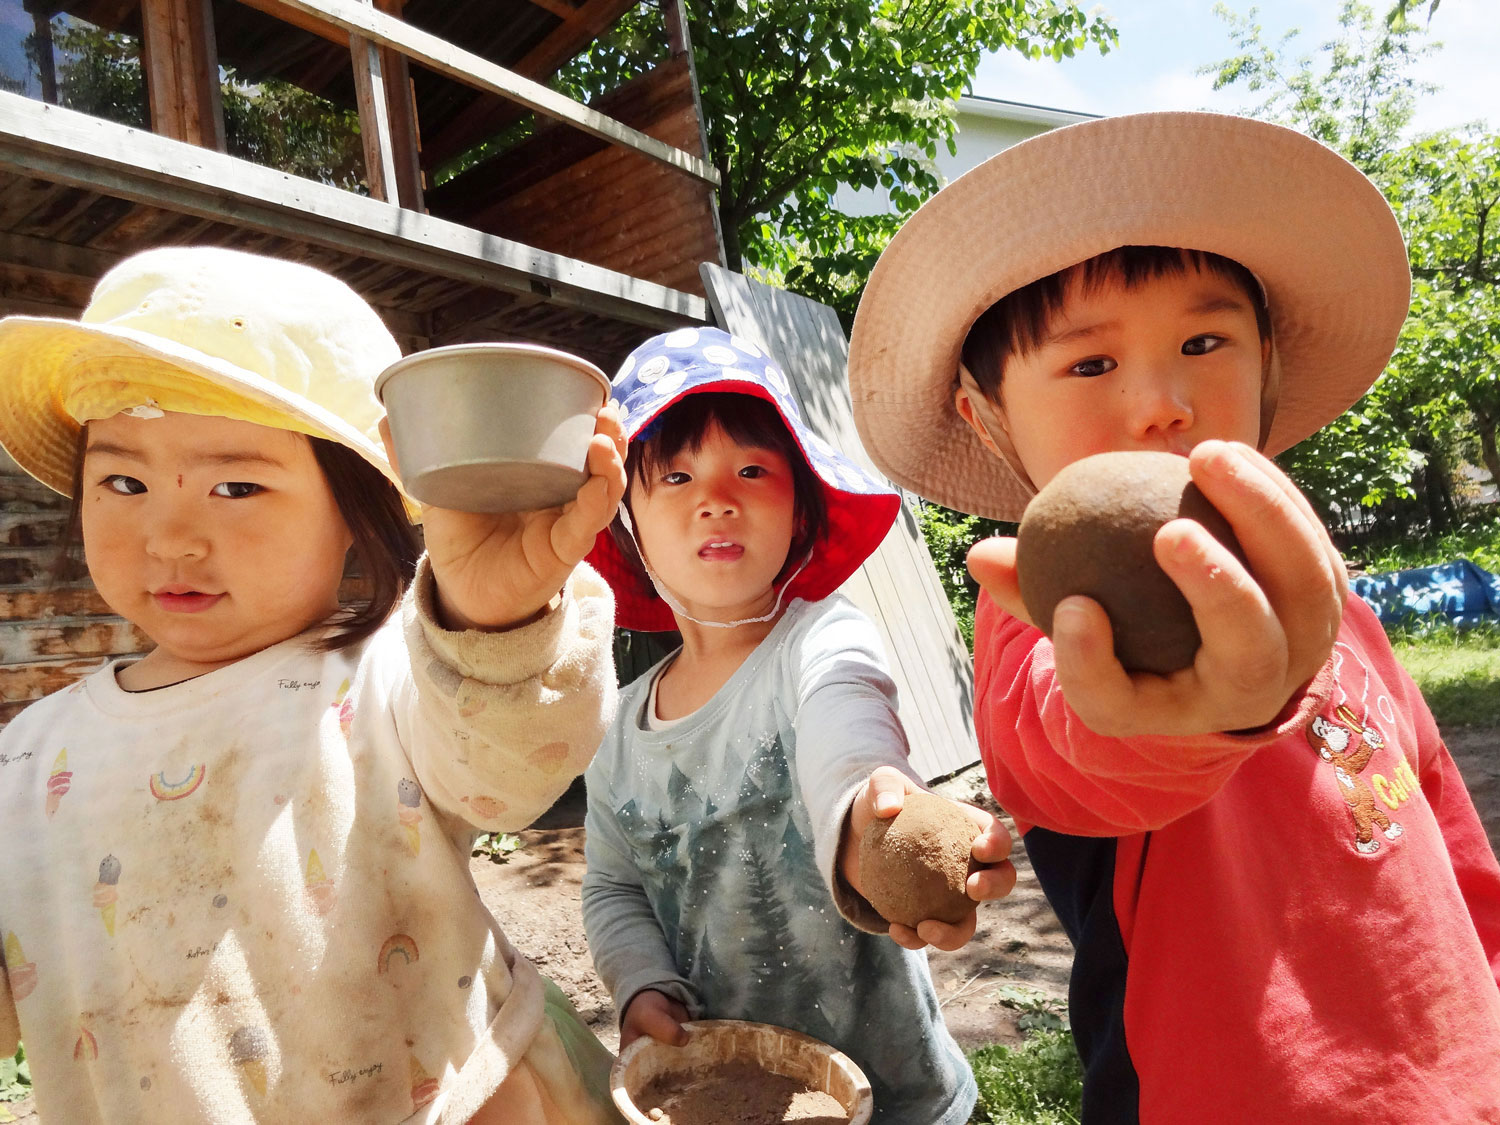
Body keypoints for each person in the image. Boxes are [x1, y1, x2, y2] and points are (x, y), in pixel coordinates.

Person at [846, 111, 1500, 1121]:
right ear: (989, 418)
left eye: (1203, 342)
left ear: (1266, 366)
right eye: (1090, 364)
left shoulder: (1343, 611)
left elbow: (1448, 839)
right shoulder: (1039, 612)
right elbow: (1077, 749)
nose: (1161, 402)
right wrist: (1206, 712)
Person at [0, 246, 629, 1124]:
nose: (170, 535)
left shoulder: (390, 675)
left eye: (235, 485)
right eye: (124, 480)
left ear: (355, 509)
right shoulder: (30, 757)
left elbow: (511, 770)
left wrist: (493, 621)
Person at [579, 326, 1016, 1124]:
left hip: (896, 1091)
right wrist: (640, 983)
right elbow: (614, 884)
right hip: (724, 1088)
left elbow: (847, 733)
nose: (717, 497)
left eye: (752, 469)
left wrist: (872, 822)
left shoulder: (820, 639)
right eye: (675, 475)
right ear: (626, 522)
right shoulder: (616, 731)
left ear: (799, 507)